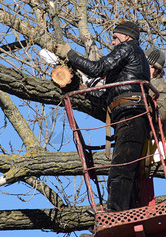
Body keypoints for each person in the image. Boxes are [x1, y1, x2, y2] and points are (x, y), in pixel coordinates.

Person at [55, 21, 151, 212]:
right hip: (126, 114)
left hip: (131, 114)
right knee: (124, 167)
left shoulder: (129, 48)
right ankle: (126, 210)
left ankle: (115, 212)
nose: (113, 42)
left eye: (115, 37)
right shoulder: (125, 70)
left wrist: (70, 54)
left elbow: (98, 68)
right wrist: (77, 86)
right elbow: (104, 97)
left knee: (121, 168)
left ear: (127, 37)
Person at [144, 47, 166, 126]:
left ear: (151, 65)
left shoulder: (161, 87)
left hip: (148, 133)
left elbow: (162, 114)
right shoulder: (138, 82)